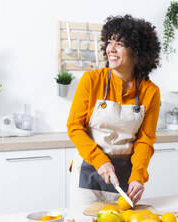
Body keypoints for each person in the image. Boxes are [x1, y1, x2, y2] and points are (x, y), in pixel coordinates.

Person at [67, 14, 161, 207]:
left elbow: (145, 140)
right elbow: (74, 127)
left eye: (120, 43)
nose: (111, 49)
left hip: (125, 176)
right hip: (88, 171)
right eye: (110, 42)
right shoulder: (92, 80)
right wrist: (100, 161)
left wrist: (138, 177)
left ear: (137, 51)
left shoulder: (150, 91)